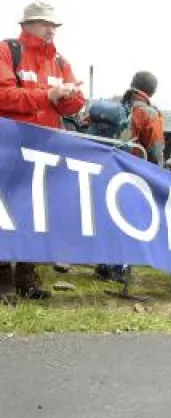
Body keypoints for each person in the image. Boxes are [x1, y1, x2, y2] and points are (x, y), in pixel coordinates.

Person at [0, 1, 85, 301]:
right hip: (9, 151)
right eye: (45, 23)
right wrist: (47, 95)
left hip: (46, 150)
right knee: (5, 214)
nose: (51, 29)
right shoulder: (7, 51)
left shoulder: (60, 61)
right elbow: (2, 95)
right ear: (26, 25)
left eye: (54, 25)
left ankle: (27, 276)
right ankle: (3, 280)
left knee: (36, 214)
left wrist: (72, 97)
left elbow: (74, 104)